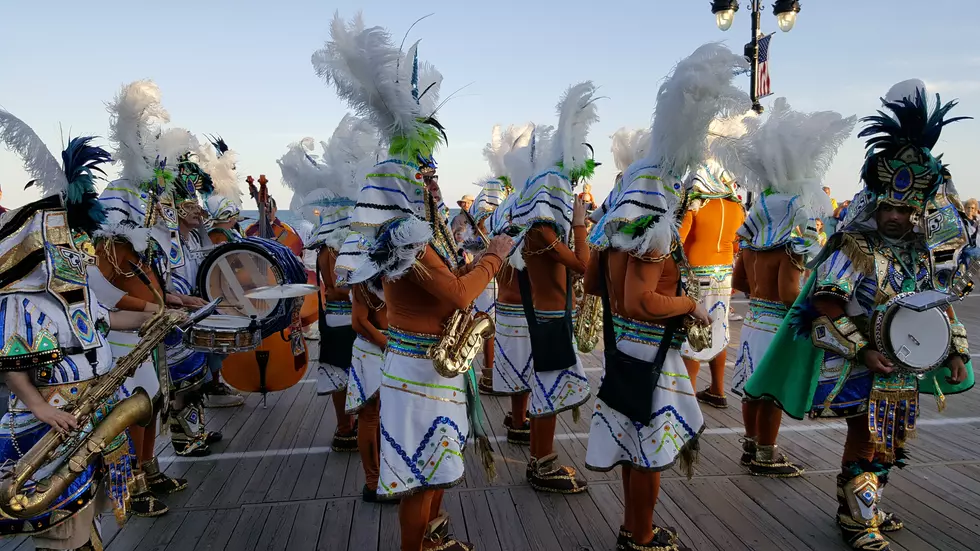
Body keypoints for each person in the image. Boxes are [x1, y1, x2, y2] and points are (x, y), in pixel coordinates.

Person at [744, 88, 974, 551]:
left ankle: (862, 506)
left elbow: (936, 306)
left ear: (919, 211)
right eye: (889, 206)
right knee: (867, 438)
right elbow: (822, 312)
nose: (896, 216)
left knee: (891, 442)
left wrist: (955, 349)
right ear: (875, 203)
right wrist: (863, 350)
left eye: (906, 209)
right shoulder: (852, 249)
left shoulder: (920, 254)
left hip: (903, 369)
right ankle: (856, 519)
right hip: (857, 365)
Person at [316, 14, 510, 550]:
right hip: (419, 369)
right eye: (425, 175)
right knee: (420, 478)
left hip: (430, 365)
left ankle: (431, 542)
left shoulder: (417, 233)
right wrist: (492, 259)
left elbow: (450, 283)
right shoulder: (404, 237)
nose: (434, 182)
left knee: (437, 470)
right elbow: (453, 293)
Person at [583, 43, 746, 551]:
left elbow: (592, 284)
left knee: (635, 446)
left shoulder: (618, 212)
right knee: (650, 452)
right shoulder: (654, 215)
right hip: (651, 350)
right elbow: (639, 302)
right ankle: (644, 534)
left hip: (621, 350)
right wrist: (689, 306)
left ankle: (633, 530)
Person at [0, 108, 158, 550]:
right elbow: (15, 366)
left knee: (89, 513)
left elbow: (111, 321)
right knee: (63, 524)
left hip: (94, 409)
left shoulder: (78, 293)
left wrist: (154, 317)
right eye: (73, 241)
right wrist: (39, 407)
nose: (82, 250)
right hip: (54, 423)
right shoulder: (24, 300)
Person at [722, 98, 855, 478]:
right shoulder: (790, 246)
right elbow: (786, 293)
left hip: (752, 323)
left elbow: (740, 283)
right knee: (773, 392)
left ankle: (750, 444)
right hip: (778, 324)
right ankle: (767, 452)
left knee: (752, 388)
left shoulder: (750, 242)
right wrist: (814, 303)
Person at [95, 81, 194, 514]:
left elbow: (150, 280)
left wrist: (172, 299)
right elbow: (105, 296)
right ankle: (130, 487)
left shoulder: (138, 248)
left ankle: (149, 468)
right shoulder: (108, 248)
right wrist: (155, 307)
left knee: (152, 405)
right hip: (122, 341)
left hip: (148, 335)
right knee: (132, 412)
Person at [507, 82, 598, 494]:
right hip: (546, 320)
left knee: (548, 392)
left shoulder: (539, 229)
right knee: (547, 394)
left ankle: (540, 460)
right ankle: (542, 463)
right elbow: (583, 265)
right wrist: (580, 223)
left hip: (548, 316)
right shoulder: (543, 230)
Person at [163, 142, 221, 457]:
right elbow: (156, 288)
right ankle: (183, 440)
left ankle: (196, 431)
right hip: (175, 322)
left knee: (196, 379)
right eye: (193, 206)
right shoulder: (166, 241)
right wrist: (183, 302)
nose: (199, 211)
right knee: (181, 382)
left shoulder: (195, 239)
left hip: (195, 318)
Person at [679, 153, 747, 410]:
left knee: (693, 332)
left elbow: (677, 241)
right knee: (718, 329)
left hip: (696, 275)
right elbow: (738, 243)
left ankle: (688, 398)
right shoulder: (735, 207)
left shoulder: (695, 204)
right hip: (724, 276)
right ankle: (718, 389)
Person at [196, 135, 247, 408]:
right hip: (218, 297)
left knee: (220, 347)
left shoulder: (228, 234)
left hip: (227, 295)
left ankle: (214, 383)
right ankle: (212, 386)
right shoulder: (218, 236)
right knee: (215, 345)